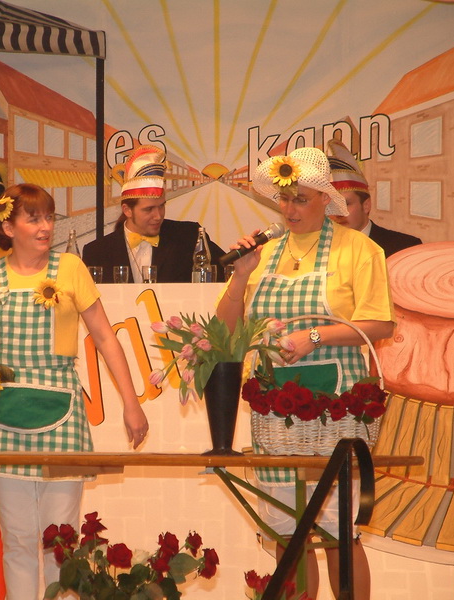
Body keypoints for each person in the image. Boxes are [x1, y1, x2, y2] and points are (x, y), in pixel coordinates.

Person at [216, 146, 395, 600]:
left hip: (338, 408)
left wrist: (314, 336)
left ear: (324, 200)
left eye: (300, 199)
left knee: (339, 532)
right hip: (275, 412)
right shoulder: (264, 254)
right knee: (287, 531)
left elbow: (379, 325)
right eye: (284, 198)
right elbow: (224, 330)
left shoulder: (360, 249)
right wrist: (240, 276)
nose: (289, 208)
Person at [0, 183, 149, 599]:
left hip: (63, 412)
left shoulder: (70, 268)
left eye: (49, 217)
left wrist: (131, 404)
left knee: (60, 543)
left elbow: (105, 337)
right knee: (17, 540)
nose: (45, 227)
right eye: (34, 219)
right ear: (8, 227)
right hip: (3, 417)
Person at [81, 145, 224, 282]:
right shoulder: (96, 253)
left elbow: (226, 271)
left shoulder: (189, 237)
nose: (158, 216)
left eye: (161, 206)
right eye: (148, 209)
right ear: (127, 210)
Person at [326, 140, 422, 258]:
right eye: (331, 206)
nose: (337, 213)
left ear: (366, 205)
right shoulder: (317, 250)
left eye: (345, 204)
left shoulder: (404, 247)